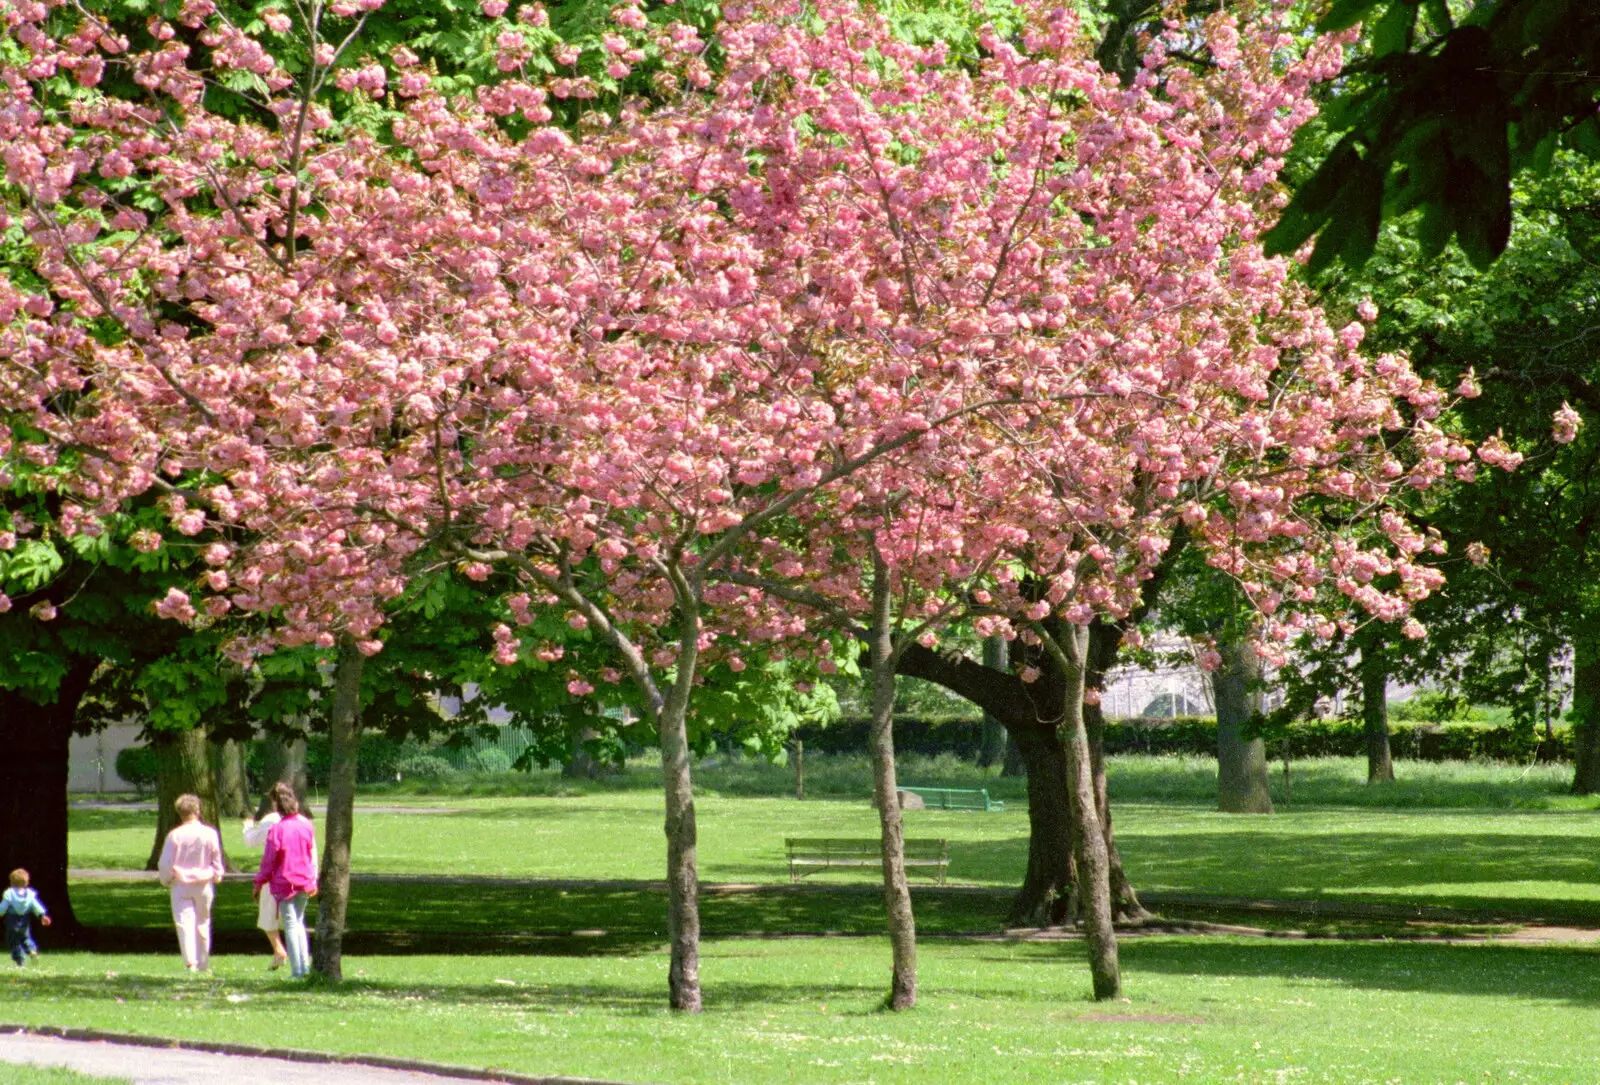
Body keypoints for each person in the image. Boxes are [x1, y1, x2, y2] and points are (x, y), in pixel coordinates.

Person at [243, 790, 318, 970]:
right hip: (303, 880)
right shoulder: (306, 826)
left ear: (278, 808)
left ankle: (298, 969)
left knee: (291, 924)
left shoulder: (277, 829)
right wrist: (313, 879)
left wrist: (259, 882)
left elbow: (269, 860)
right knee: (298, 923)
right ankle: (304, 966)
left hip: (284, 882)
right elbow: (311, 854)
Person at [157, 793, 226, 972]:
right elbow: (216, 858)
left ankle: (191, 962)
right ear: (198, 810)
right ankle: (203, 963)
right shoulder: (209, 833)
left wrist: (168, 878)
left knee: (184, 923)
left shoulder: (175, 835)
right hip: (203, 883)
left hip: (181, 883)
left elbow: (165, 863)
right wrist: (217, 874)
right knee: (203, 922)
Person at [1, 869, 50, 967]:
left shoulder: (10, 894)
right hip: (25, 921)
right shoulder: (30, 895)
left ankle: (20, 960)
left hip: (12, 922)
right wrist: (42, 915)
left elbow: (3, 907)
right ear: (26, 882)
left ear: (12, 881)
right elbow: (36, 906)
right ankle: (32, 950)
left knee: (14, 941)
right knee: (26, 937)